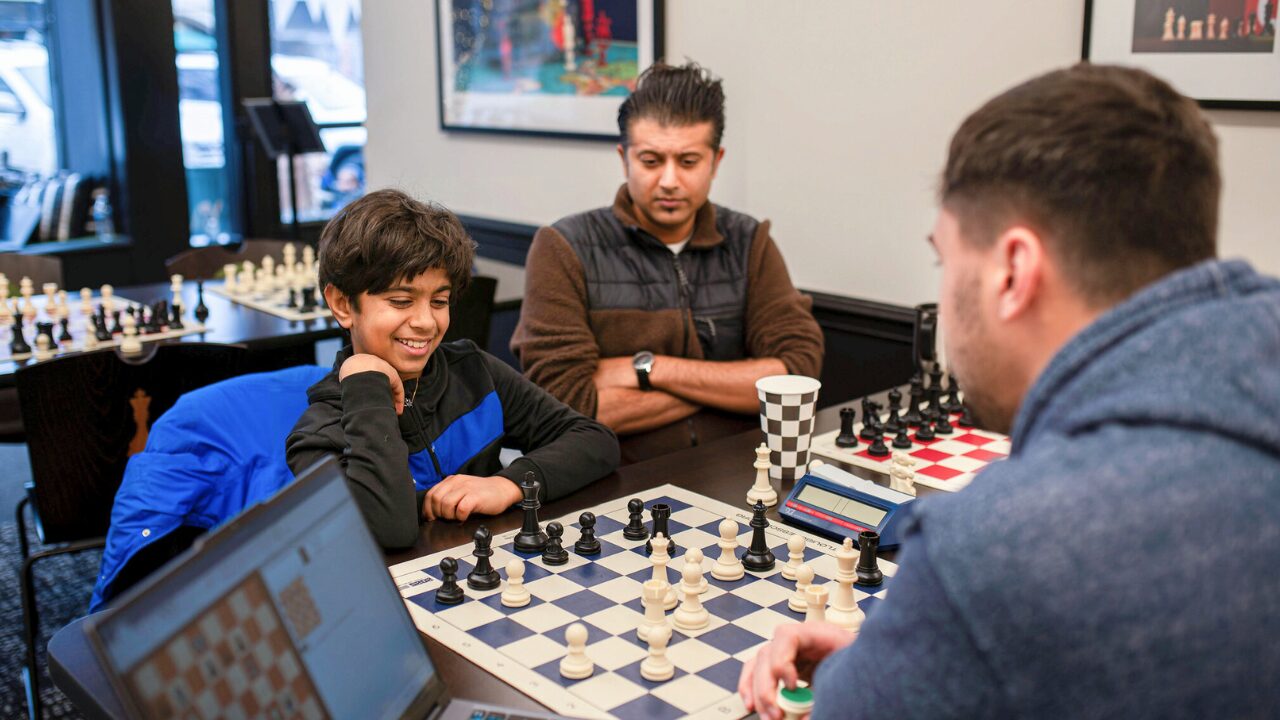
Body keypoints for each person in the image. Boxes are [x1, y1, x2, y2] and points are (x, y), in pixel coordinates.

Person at [740, 64, 1280, 718]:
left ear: (1013, 271)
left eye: (946, 260)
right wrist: (926, 660)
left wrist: (943, 637)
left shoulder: (994, 549)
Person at [511, 61, 824, 464]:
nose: (671, 181)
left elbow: (798, 373)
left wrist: (649, 368)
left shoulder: (749, 241)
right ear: (624, 158)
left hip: (739, 469)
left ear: (716, 160)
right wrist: (729, 387)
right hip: (612, 483)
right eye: (652, 161)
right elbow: (565, 404)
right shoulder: (563, 247)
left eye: (689, 161)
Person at [287, 190, 620, 550]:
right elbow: (390, 530)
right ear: (342, 304)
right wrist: (367, 382)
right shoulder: (318, 435)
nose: (426, 322)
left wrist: (507, 485)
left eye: (439, 301)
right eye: (401, 301)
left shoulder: (474, 372)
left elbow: (594, 440)